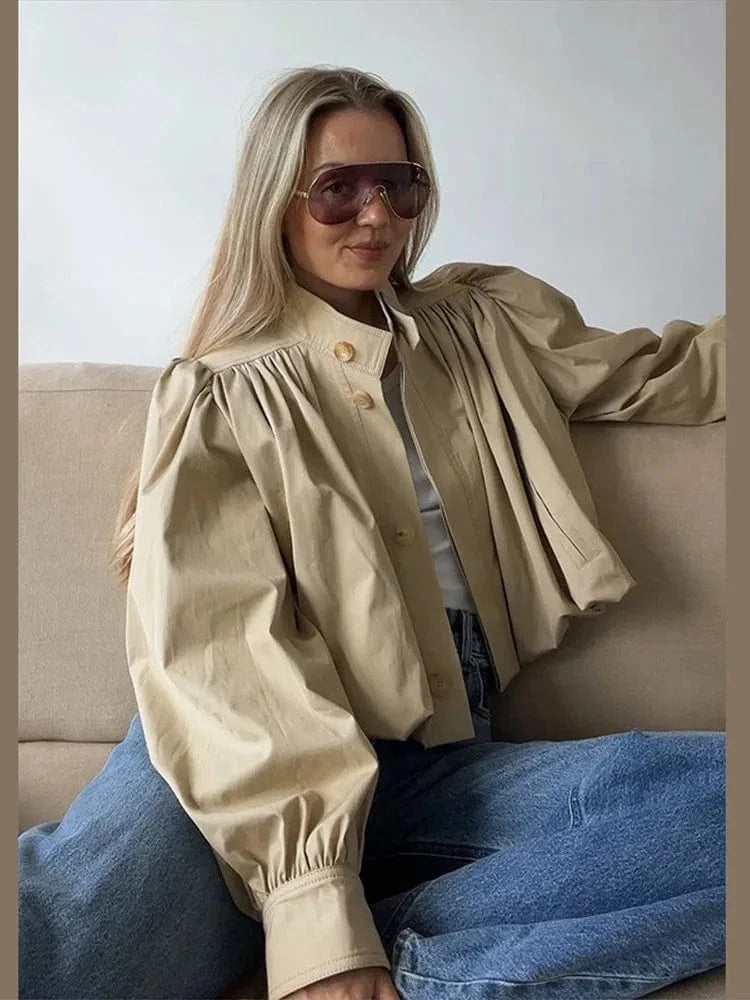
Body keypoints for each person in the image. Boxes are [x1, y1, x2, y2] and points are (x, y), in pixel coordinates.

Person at [18, 65, 726, 1000]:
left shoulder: (483, 323)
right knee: (71, 953)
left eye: (398, 183)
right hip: (244, 766)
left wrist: (336, 943)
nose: (375, 215)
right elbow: (224, 656)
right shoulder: (221, 394)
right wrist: (314, 901)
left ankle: (412, 967)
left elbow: (670, 373)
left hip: (434, 770)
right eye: (338, 188)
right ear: (277, 200)